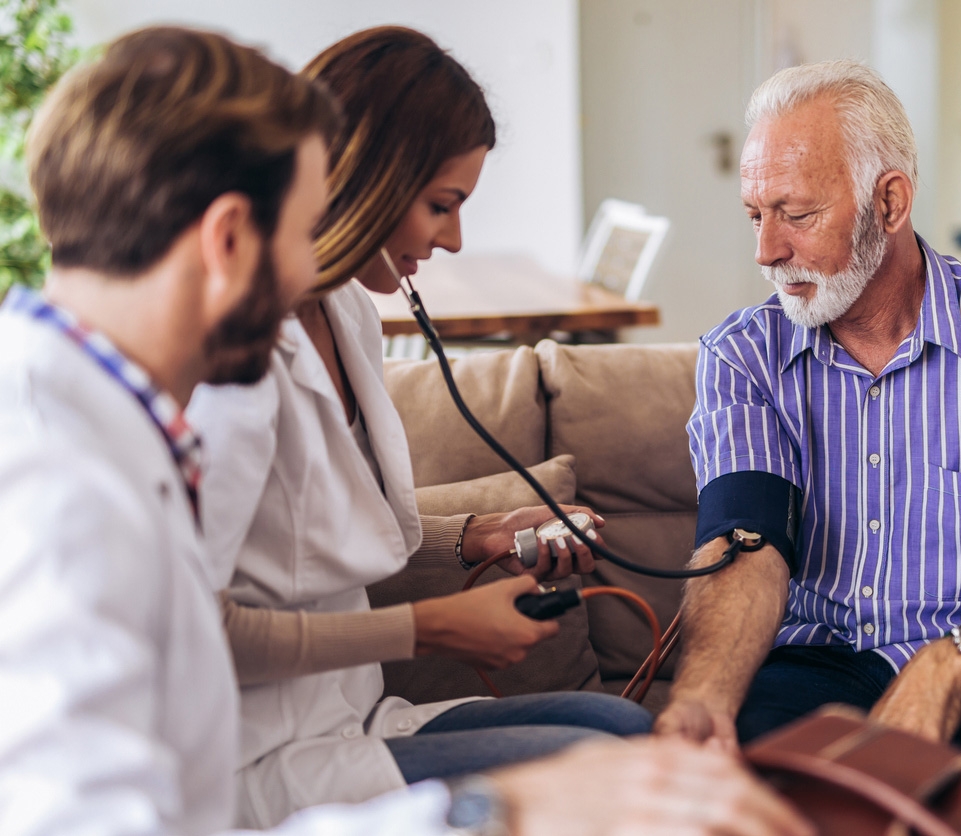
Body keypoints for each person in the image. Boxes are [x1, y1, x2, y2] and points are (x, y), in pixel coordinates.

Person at [0, 25, 816, 836]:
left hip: (327, 730)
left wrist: (473, 536)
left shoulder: (117, 435)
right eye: (303, 232)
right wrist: (489, 809)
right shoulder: (66, 487)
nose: (309, 270)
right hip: (278, 760)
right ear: (227, 239)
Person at [653, 59, 961, 836]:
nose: (765, 249)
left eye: (794, 213)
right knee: (739, 762)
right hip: (815, 665)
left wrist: (952, 657)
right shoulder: (741, 358)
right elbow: (746, 550)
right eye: (754, 214)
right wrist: (702, 699)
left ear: (889, 202)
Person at [184, 26, 653, 829]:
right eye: (443, 205)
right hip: (256, 755)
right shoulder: (235, 369)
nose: (454, 239)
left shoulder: (348, 315)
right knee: (621, 761)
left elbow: (328, 528)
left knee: (622, 726)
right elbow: (196, 628)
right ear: (367, 177)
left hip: (349, 717)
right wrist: (429, 628)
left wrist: (480, 534)